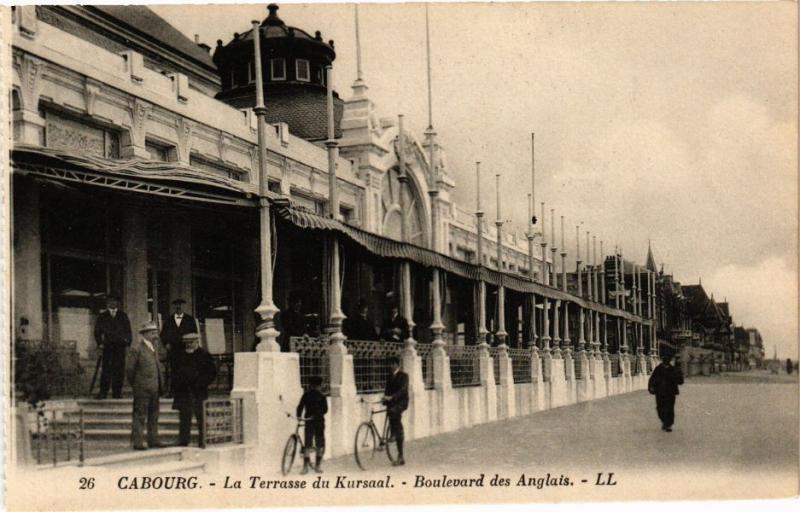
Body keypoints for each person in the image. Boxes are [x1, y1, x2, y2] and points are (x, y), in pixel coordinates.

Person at [172, 332, 217, 448]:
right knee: (184, 418)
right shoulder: (180, 355)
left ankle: (203, 441)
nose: (189, 345)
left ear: (197, 342)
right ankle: (183, 441)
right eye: (186, 343)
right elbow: (175, 372)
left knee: (201, 417)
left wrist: (201, 383)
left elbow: (211, 372)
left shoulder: (204, 354)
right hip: (184, 392)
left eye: (191, 343)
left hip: (199, 391)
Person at [126, 321, 165, 450]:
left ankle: (153, 440)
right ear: (145, 334)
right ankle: (137, 442)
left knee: (154, 415)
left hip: (155, 388)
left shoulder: (154, 348)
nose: (156, 336)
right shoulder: (137, 349)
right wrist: (137, 384)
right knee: (140, 415)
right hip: (142, 388)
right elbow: (130, 369)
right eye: (153, 333)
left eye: (156, 333)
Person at [93, 295, 132, 399]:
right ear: (108, 303)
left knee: (119, 370)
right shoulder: (102, 316)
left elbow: (128, 332)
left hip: (120, 347)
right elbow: (97, 332)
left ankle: (117, 393)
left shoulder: (123, 316)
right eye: (110, 301)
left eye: (115, 301)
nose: (113, 303)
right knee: (106, 369)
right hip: (108, 346)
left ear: (118, 303)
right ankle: (103, 392)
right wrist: (100, 343)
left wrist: (128, 344)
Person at [160, 298, 198, 396]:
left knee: (187, 370)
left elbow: (195, 334)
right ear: (174, 307)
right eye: (177, 305)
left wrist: (191, 345)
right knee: (174, 371)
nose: (179, 307)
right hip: (174, 350)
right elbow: (163, 335)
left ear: (184, 306)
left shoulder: (190, 320)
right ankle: (173, 392)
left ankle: (186, 393)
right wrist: (166, 343)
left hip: (187, 349)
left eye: (181, 305)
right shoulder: (169, 320)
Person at [296, 375, 328, 474]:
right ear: (320, 385)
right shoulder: (321, 396)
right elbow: (325, 410)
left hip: (311, 421)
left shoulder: (306, 395)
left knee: (308, 444)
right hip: (317, 421)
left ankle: (306, 467)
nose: (315, 387)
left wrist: (299, 416)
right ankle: (316, 466)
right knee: (317, 444)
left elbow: (299, 407)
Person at [648, 354, 684, 432]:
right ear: (662, 360)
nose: (666, 361)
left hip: (670, 392)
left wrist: (679, 372)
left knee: (669, 408)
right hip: (660, 392)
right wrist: (651, 387)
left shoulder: (673, 369)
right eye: (665, 359)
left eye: (667, 359)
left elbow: (680, 381)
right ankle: (665, 421)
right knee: (660, 408)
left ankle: (668, 424)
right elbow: (652, 379)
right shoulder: (658, 369)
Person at [383, 356, 409, 466]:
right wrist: (384, 397)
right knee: (391, 413)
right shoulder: (390, 376)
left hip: (401, 402)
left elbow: (403, 390)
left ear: (397, 365)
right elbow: (387, 390)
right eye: (390, 364)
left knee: (394, 414)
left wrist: (392, 397)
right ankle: (394, 431)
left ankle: (400, 455)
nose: (391, 366)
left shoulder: (404, 376)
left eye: (393, 364)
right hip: (392, 402)